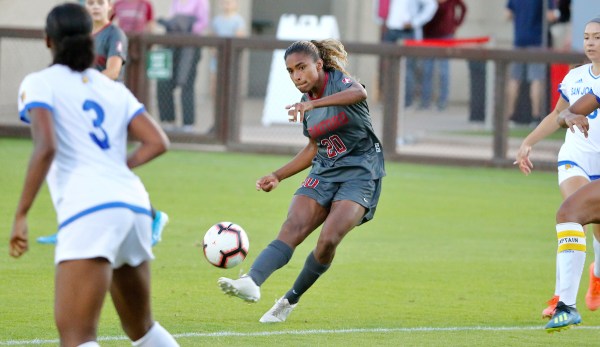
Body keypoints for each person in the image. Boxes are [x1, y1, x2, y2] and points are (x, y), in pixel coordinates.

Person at [9, 3, 179, 346]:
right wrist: (117, 168)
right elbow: (158, 141)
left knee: (77, 336)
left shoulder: (39, 83)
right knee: (142, 328)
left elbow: (45, 148)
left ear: (47, 40)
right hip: (134, 205)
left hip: (90, 210)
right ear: (90, 39)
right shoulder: (112, 89)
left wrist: (21, 214)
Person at [217, 39, 386, 323]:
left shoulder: (338, 84)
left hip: (361, 171)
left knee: (328, 240)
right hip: (325, 170)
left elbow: (359, 93)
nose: (297, 76)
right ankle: (251, 282)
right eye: (291, 71)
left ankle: (289, 300)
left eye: (302, 67)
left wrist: (312, 105)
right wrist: (277, 175)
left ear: (319, 65)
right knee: (293, 226)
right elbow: (313, 148)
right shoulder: (306, 104)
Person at [37, 0, 169, 246]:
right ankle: (69, 226)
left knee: (109, 171)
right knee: (73, 167)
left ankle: (153, 215)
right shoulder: (82, 36)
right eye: (91, 2)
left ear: (111, 7)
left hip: (107, 110)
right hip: (81, 109)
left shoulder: (114, 34)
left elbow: (113, 71)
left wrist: (83, 81)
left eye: (101, 2)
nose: (95, 6)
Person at [515, 17, 600, 328]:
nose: (591, 42)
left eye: (598, 37)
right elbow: (566, 111)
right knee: (572, 213)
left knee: (588, 225)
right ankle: (563, 300)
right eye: (588, 37)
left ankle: (593, 277)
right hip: (576, 159)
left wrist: (571, 114)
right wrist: (531, 141)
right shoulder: (578, 77)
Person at [157, 0, 210, 132]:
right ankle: (168, 121)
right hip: (173, 44)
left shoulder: (201, 2)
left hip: (190, 47)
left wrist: (184, 27)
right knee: (164, 82)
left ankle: (188, 123)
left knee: (186, 83)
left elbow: (202, 23)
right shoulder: (175, 2)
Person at [506, 0, 557, 125]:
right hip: (536, 41)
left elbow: (507, 14)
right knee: (536, 79)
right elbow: (550, 16)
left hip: (518, 40)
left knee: (514, 79)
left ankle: (510, 115)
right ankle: (536, 116)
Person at [382, 0, 438, 108]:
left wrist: (415, 22)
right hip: (391, 29)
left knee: (407, 69)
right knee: (389, 68)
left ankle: (406, 102)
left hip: (406, 31)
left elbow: (431, 5)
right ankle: (390, 102)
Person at [420, 0, 467, 110]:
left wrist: (456, 23)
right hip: (429, 36)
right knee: (427, 70)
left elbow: (463, 9)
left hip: (446, 36)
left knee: (443, 71)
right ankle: (425, 101)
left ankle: (442, 101)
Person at [209, 0, 245, 100]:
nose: (227, 3)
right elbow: (212, 38)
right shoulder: (216, 20)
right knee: (214, 84)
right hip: (217, 58)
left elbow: (239, 37)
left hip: (231, 59)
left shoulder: (238, 20)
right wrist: (214, 51)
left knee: (230, 83)